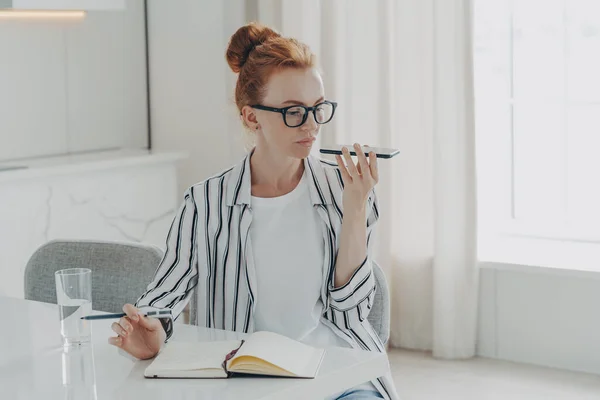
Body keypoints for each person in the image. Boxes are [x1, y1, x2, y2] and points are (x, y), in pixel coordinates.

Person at [108, 22, 398, 400]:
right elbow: (162, 299)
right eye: (293, 111)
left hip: (336, 374)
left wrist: (356, 209)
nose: (311, 125)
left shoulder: (345, 190)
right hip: (243, 382)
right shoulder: (206, 202)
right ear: (251, 117)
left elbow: (352, 311)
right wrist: (151, 333)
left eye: (317, 108)